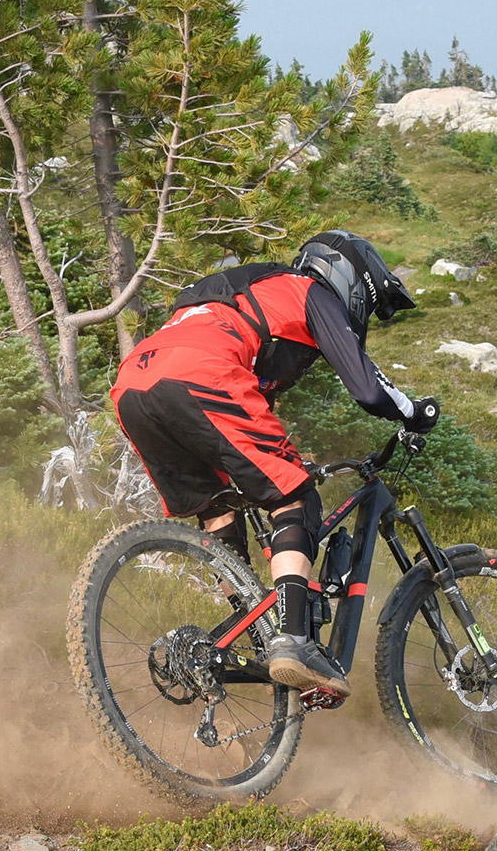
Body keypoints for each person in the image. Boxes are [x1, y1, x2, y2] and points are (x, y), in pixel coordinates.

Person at [110, 231, 439, 699]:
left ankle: (256, 634)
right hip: (201, 373)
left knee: (220, 509)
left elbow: (240, 398)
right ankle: (292, 642)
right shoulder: (309, 292)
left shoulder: (242, 291)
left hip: (134, 385)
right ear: (348, 279)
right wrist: (413, 411)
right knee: (295, 498)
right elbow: (369, 388)